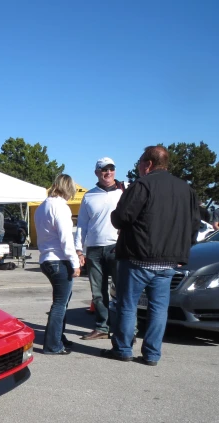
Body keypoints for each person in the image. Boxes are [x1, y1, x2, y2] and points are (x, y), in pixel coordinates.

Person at [103, 146, 200, 366]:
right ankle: (152, 354)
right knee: (158, 309)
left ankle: (123, 349)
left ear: (148, 164)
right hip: (168, 261)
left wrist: (115, 213)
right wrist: (181, 250)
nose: (137, 166)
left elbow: (122, 219)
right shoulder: (186, 189)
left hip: (138, 257)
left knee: (127, 305)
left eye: (139, 162)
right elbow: (194, 225)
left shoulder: (142, 185)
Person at [74, 157, 125, 340]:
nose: (108, 172)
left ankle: (126, 329)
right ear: (97, 173)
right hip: (94, 249)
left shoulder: (123, 193)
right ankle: (102, 327)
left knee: (122, 291)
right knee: (98, 292)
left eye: (111, 169)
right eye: (104, 169)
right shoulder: (89, 196)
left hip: (116, 248)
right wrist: (79, 250)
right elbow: (82, 225)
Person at [34, 175, 80, 355]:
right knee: (60, 304)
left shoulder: (42, 206)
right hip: (59, 259)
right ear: (68, 189)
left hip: (46, 258)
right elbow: (66, 238)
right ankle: (53, 344)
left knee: (61, 301)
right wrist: (75, 262)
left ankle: (58, 337)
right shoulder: (60, 207)